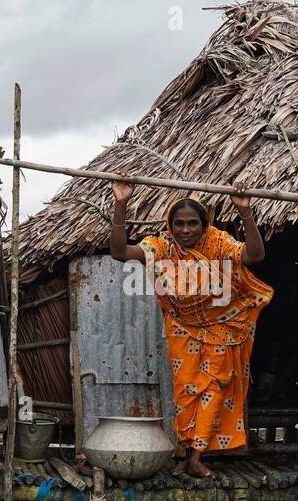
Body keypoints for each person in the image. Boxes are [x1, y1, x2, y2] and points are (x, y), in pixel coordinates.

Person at [109, 179, 273, 477]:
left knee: (214, 386)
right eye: (180, 224)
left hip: (222, 327)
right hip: (182, 329)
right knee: (186, 391)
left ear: (203, 224)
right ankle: (187, 455)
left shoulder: (217, 242)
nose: (186, 230)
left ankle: (196, 457)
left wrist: (245, 212)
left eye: (193, 224)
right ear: (170, 226)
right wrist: (120, 204)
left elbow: (254, 256)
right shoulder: (160, 246)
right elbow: (120, 252)